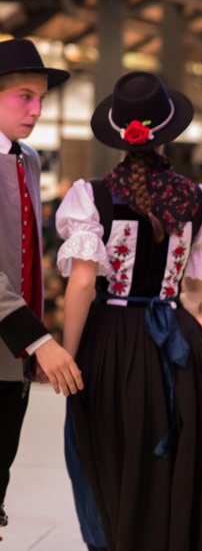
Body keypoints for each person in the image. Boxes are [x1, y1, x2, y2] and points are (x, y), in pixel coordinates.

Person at [55, 71, 202, 550]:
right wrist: (175, 304)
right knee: (181, 453)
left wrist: (69, 353)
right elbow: (201, 283)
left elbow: (82, 283)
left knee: (111, 450)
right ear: (170, 134)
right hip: (176, 336)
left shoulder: (92, 197)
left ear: (120, 136)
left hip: (111, 337)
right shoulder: (200, 201)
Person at [0, 38, 82, 532]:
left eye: (41, 100)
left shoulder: (28, 159)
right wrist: (37, 337)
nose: (35, 110)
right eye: (23, 96)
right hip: (17, 335)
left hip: (13, 352)